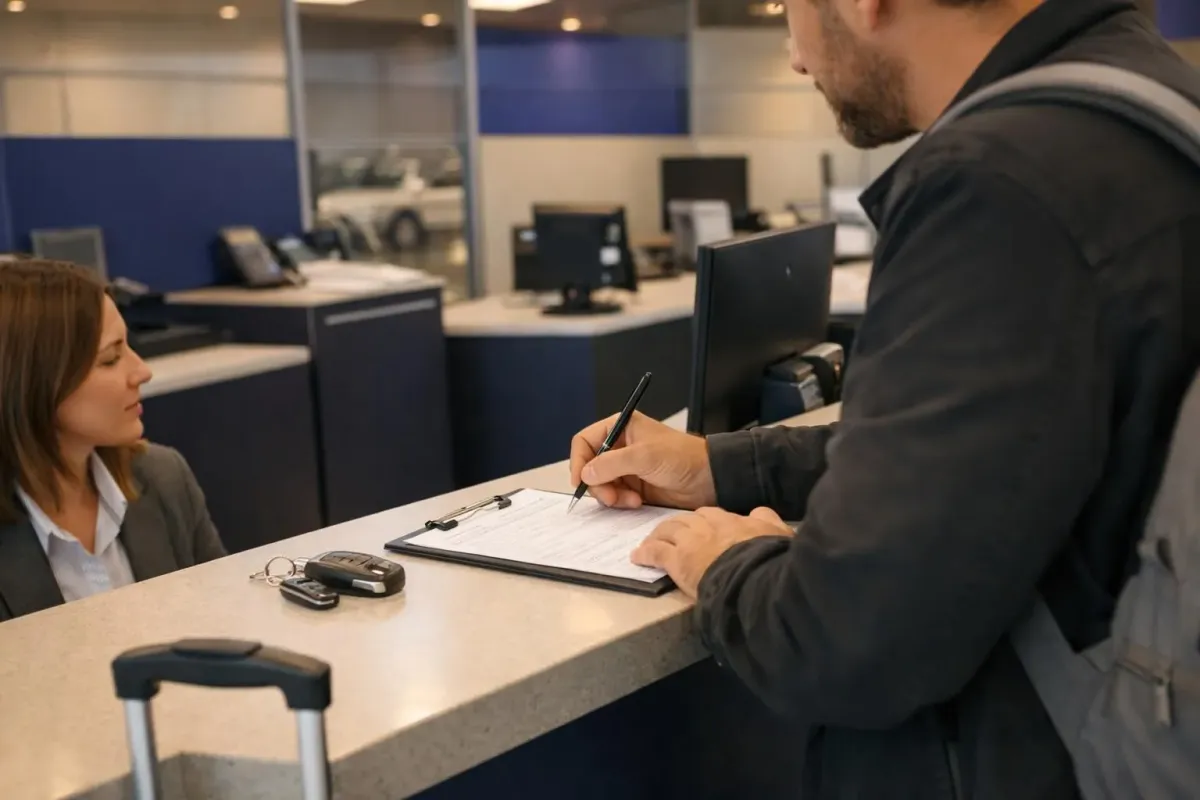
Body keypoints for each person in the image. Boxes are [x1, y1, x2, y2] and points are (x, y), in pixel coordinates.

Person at [571, 0, 1200, 796]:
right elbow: (1006, 449)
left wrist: (731, 562)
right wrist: (721, 467)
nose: (796, 58)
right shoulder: (1155, 112)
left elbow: (845, 642)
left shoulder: (999, 185)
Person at [0, 259, 226, 623]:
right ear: (33, 383)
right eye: (110, 358)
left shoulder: (163, 477)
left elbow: (225, 625)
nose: (142, 371)